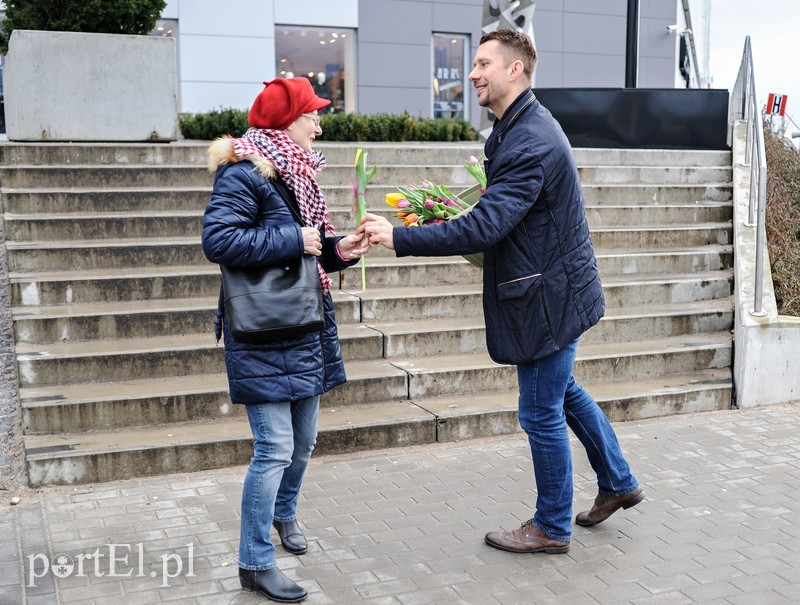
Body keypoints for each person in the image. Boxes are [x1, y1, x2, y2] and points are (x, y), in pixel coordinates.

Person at [356, 29, 643, 554]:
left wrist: (400, 236)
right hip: (557, 286)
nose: (472, 74)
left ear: (515, 69)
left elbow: (485, 227)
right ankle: (618, 481)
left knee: (540, 411)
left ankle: (551, 527)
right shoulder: (520, 126)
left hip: (547, 298)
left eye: (484, 63)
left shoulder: (529, 139)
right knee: (562, 391)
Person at [202, 77, 366, 602]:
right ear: (285, 122)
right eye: (311, 117)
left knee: (304, 442)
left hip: (304, 322)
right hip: (263, 331)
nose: (318, 127)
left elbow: (311, 252)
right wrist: (297, 237)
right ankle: (254, 562)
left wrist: (342, 249)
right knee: (274, 448)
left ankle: (283, 513)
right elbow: (218, 240)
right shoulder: (244, 172)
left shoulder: (298, 173)